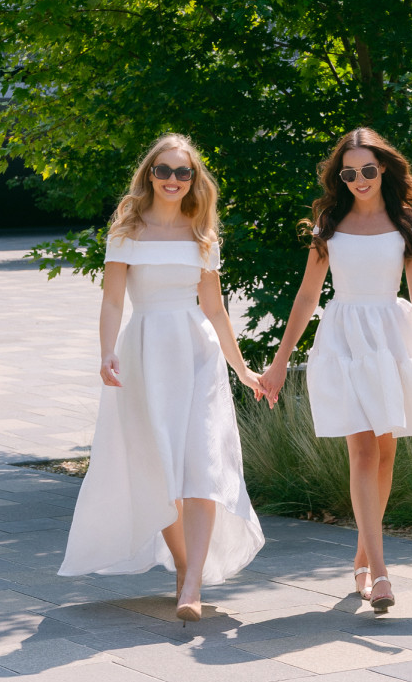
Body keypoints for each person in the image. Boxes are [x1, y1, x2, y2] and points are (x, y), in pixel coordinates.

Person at [259, 128, 412, 613]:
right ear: (340, 177)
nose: (359, 179)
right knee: (362, 451)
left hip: (390, 340)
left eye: (367, 169)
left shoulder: (406, 223)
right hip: (344, 339)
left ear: (382, 167)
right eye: (349, 173)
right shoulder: (329, 224)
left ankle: (363, 556)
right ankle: (380, 572)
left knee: (384, 455)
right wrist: (279, 363)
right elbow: (307, 296)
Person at [59, 134, 265, 621]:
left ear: (194, 179)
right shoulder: (126, 231)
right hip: (146, 353)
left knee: (203, 468)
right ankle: (185, 565)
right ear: (149, 174)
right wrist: (106, 352)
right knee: (162, 471)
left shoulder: (203, 235)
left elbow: (215, 309)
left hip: (198, 354)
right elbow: (113, 300)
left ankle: (191, 584)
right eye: (164, 170)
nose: (173, 180)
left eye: (183, 172)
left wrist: (241, 368)